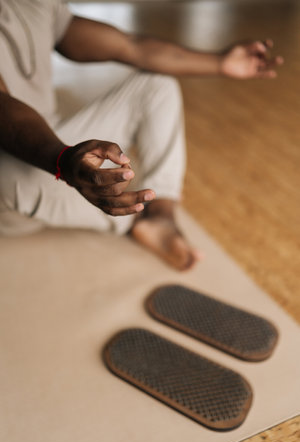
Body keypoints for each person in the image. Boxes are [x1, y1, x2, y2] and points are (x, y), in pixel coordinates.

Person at [0, 0, 283, 270]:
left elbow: (132, 47)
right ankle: (136, 216)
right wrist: (62, 160)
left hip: (52, 152)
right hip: (13, 181)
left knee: (155, 86)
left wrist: (220, 62)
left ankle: (159, 216)